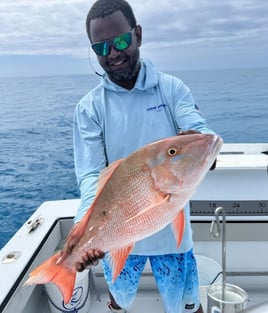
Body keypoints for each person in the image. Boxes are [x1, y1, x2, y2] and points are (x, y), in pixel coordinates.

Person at [64, 0, 216, 312]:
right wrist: (83, 230)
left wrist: (201, 146)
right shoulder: (90, 108)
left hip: (172, 236)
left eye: (120, 41)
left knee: (187, 303)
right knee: (119, 299)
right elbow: (92, 177)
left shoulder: (171, 89)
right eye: (101, 47)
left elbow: (197, 130)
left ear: (138, 35)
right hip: (116, 233)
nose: (114, 54)